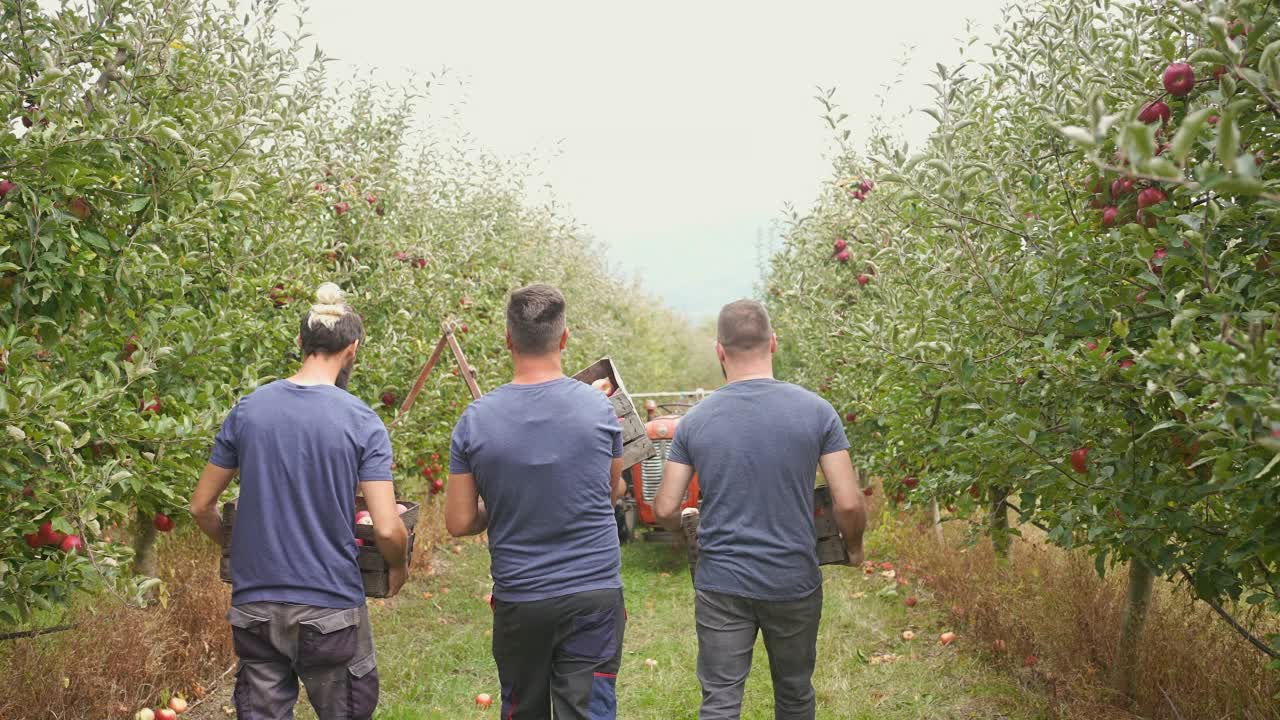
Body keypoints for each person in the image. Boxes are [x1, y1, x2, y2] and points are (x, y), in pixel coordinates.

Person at [190, 282, 408, 720]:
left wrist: (240, 551)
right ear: (352, 349)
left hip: (255, 608)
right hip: (329, 606)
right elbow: (385, 526)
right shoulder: (362, 422)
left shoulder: (248, 410)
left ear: (299, 343)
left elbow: (200, 507)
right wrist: (399, 566)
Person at [654, 299, 867, 720]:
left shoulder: (695, 421)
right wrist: (855, 547)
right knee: (794, 694)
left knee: (719, 702)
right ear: (773, 343)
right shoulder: (817, 411)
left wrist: (682, 527)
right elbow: (847, 501)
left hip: (721, 583)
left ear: (720, 350)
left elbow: (663, 507)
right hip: (793, 578)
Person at [446, 283, 627, 720]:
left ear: (509, 339)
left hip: (522, 598)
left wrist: (504, 504)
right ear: (563, 338)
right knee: (589, 711)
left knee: (522, 709)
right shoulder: (600, 409)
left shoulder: (475, 420)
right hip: (593, 592)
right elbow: (613, 490)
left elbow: (459, 520)